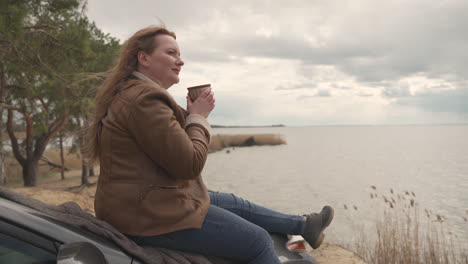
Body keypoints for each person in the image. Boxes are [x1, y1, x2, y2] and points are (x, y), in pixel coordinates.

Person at [87, 26, 334, 264]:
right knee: (257, 242)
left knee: (234, 202)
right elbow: (189, 164)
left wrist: (190, 114)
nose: (180, 61)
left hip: (138, 203)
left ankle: (303, 225)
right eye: (170, 53)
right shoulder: (145, 99)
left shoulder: (134, 93)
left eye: (180, 54)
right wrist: (199, 118)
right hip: (146, 214)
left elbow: (164, 140)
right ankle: (298, 229)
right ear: (144, 58)